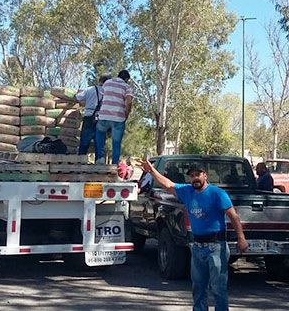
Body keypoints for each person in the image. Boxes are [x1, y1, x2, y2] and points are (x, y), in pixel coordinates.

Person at [140, 160, 248, 311]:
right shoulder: (187, 191)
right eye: (191, 176)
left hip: (216, 247)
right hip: (197, 247)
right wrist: (152, 171)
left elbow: (233, 216)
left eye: (198, 175)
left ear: (205, 175)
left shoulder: (217, 194)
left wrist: (241, 238)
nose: (195, 178)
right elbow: (168, 184)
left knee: (218, 288)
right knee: (198, 288)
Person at [95, 70, 133, 164]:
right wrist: (126, 115)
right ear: (126, 79)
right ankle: (115, 164)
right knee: (116, 143)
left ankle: (100, 158)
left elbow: (102, 98)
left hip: (104, 115)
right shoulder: (127, 87)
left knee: (100, 134)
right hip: (118, 117)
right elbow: (128, 102)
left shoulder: (107, 83)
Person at [76, 74, 111, 156]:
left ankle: (81, 160)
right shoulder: (109, 93)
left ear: (100, 81)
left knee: (84, 142)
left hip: (89, 117)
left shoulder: (90, 89)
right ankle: (99, 162)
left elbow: (77, 97)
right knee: (100, 144)